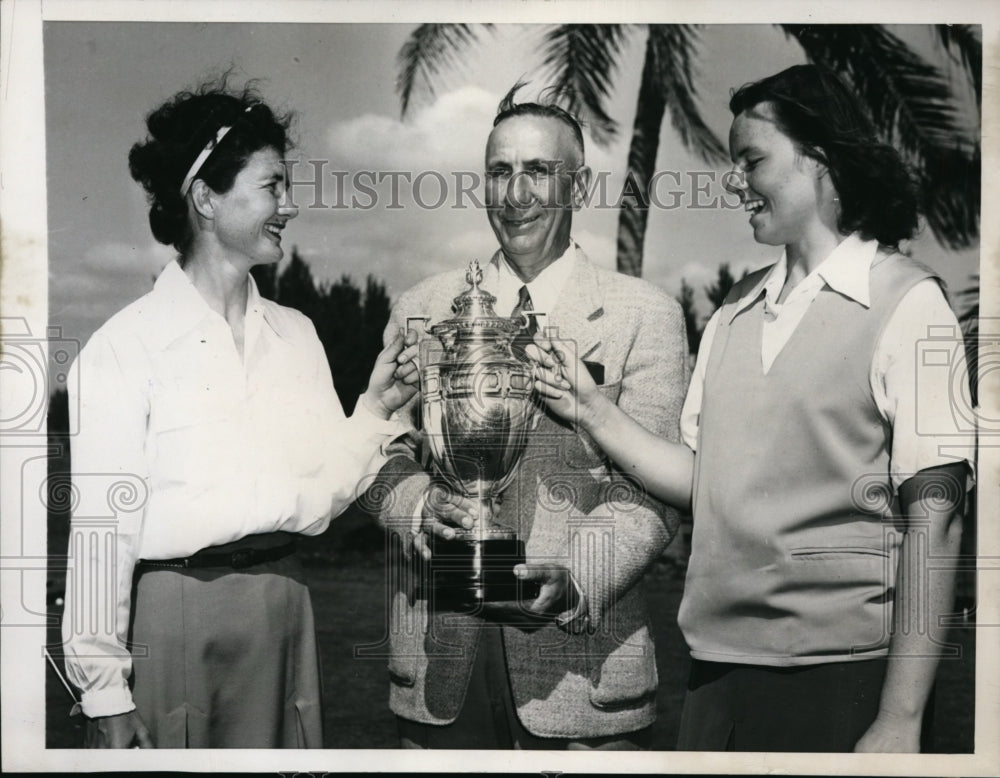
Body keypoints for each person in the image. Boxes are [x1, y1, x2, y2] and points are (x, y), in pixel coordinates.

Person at [530, 64, 973, 753]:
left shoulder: (911, 304)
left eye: (751, 160)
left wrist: (900, 718)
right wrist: (592, 411)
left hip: (846, 681)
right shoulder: (734, 309)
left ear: (820, 159)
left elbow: (936, 523)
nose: (732, 180)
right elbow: (703, 482)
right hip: (716, 678)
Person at [60, 81, 419, 749]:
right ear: (205, 198)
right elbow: (100, 536)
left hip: (288, 608)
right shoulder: (123, 346)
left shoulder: (297, 335)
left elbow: (320, 497)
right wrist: (104, 687)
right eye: (272, 186)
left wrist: (374, 411)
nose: (291, 205)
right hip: (178, 618)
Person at [369, 84, 688, 749]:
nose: (515, 193)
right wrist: (414, 508)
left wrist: (576, 579)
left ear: (579, 183)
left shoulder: (644, 314)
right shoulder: (422, 308)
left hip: (583, 675)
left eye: (538, 171)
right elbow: (376, 449)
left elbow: (659, 488)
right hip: (437, 668)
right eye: (499, 170)